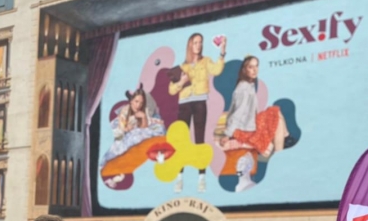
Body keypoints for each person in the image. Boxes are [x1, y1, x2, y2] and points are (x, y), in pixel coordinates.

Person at [168, 32, 226, 192]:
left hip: (200, 102)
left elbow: (217, 70)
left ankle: (201, 178)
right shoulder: (182, 67)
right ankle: (179, 178)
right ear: (190, 45)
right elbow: (171, 90)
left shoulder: (206, 61)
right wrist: (181, 82)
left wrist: (222, 53)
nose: (198, 45)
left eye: (200, 42)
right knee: (181, 141)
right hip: (184, 104)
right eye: (195, 42)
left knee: (199, 139)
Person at [220, 56, 289, 158]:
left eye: (256, 66)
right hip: (243, 129)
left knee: (275, 111)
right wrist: (228, 134)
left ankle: (285, 139)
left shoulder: (249, 84)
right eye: (251, 67)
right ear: (244, 70)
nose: (255, 70)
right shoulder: (243, 89)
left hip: (249, 122)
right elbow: (238, 113)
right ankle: (280, 153)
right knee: (277, 120)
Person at [102, 86, 166, 165]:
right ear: (131, 101)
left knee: (157, 128)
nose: (138, 105)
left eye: (141, 103)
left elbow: (144, 127)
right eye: (136, 101)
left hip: (139, 127)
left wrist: (143, 117)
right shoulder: (125, 111)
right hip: (124, 128)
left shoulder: (143, 110)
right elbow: (121, 129)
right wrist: (127, 128)